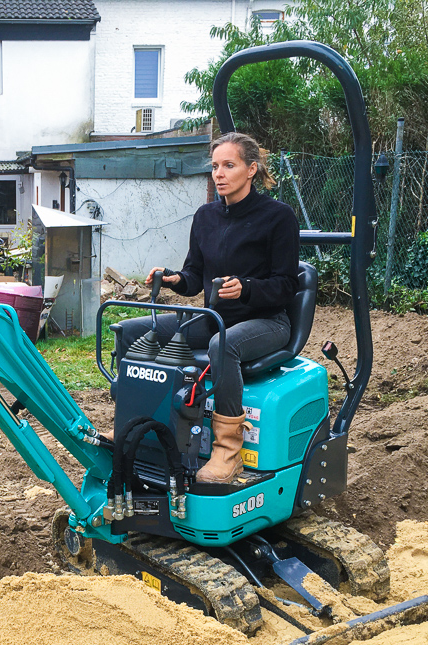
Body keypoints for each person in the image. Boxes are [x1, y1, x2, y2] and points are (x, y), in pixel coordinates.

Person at [116, 132, 300, 484]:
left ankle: (227, 453)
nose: (219, 173)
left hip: (266, 321)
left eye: (229, 165)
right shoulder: (205, 216)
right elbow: (195, 276)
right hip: (213, 318)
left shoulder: (278, 217)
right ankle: (132, 425)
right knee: (131, 330)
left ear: (251, 170)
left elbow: (286, 285)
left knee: (223, 344)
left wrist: (245, 288)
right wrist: (174, 279)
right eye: (215, 166)